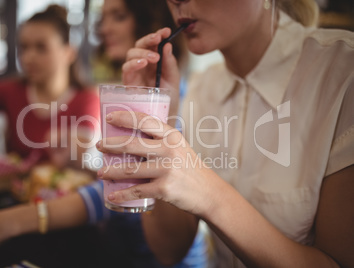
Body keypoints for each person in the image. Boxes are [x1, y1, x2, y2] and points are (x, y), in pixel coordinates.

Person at [97, 0, 354, 267]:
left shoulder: (344, 74)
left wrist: (209, 194)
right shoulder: (202, 87)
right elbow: (169, 249)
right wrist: (161, 118)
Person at [0, 2, 207, 267]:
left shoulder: (177, 100)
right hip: (116, 250)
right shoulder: (129, 92)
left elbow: (116, 189)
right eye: (102, 18)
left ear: (151, 22)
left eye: (118, 17)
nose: (103, 28)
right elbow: (115, 175)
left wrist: (9, 222)